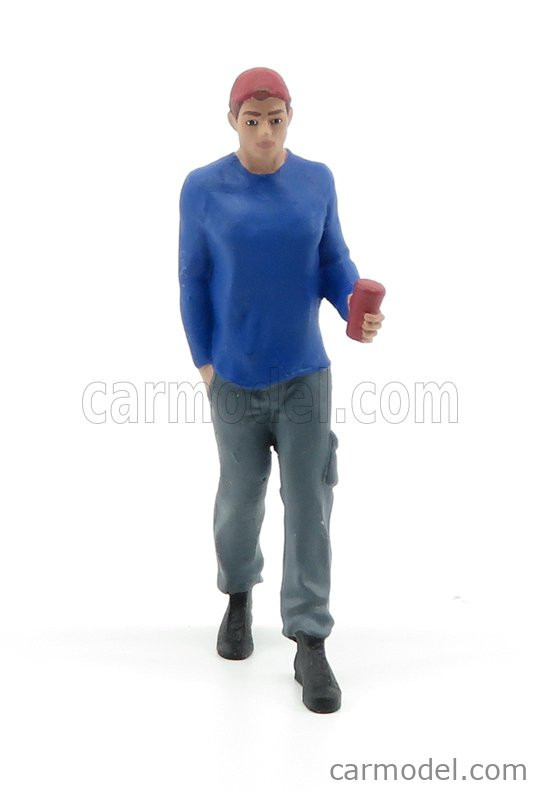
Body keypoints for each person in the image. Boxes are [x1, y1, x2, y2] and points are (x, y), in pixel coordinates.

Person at [178, 67, 384, 713]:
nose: (265, 132)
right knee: (239, 501)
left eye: (275, 119)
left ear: (290, 116)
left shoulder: (316, 180)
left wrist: (352, 305)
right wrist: (205, 363)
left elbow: (332, 261)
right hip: (234, 379)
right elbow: (191, 278)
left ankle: (309, 637)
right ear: (233, 121)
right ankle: (239, 595)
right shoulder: (203, 188)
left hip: (304, 376)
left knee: (311, 503)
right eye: (252, 121)